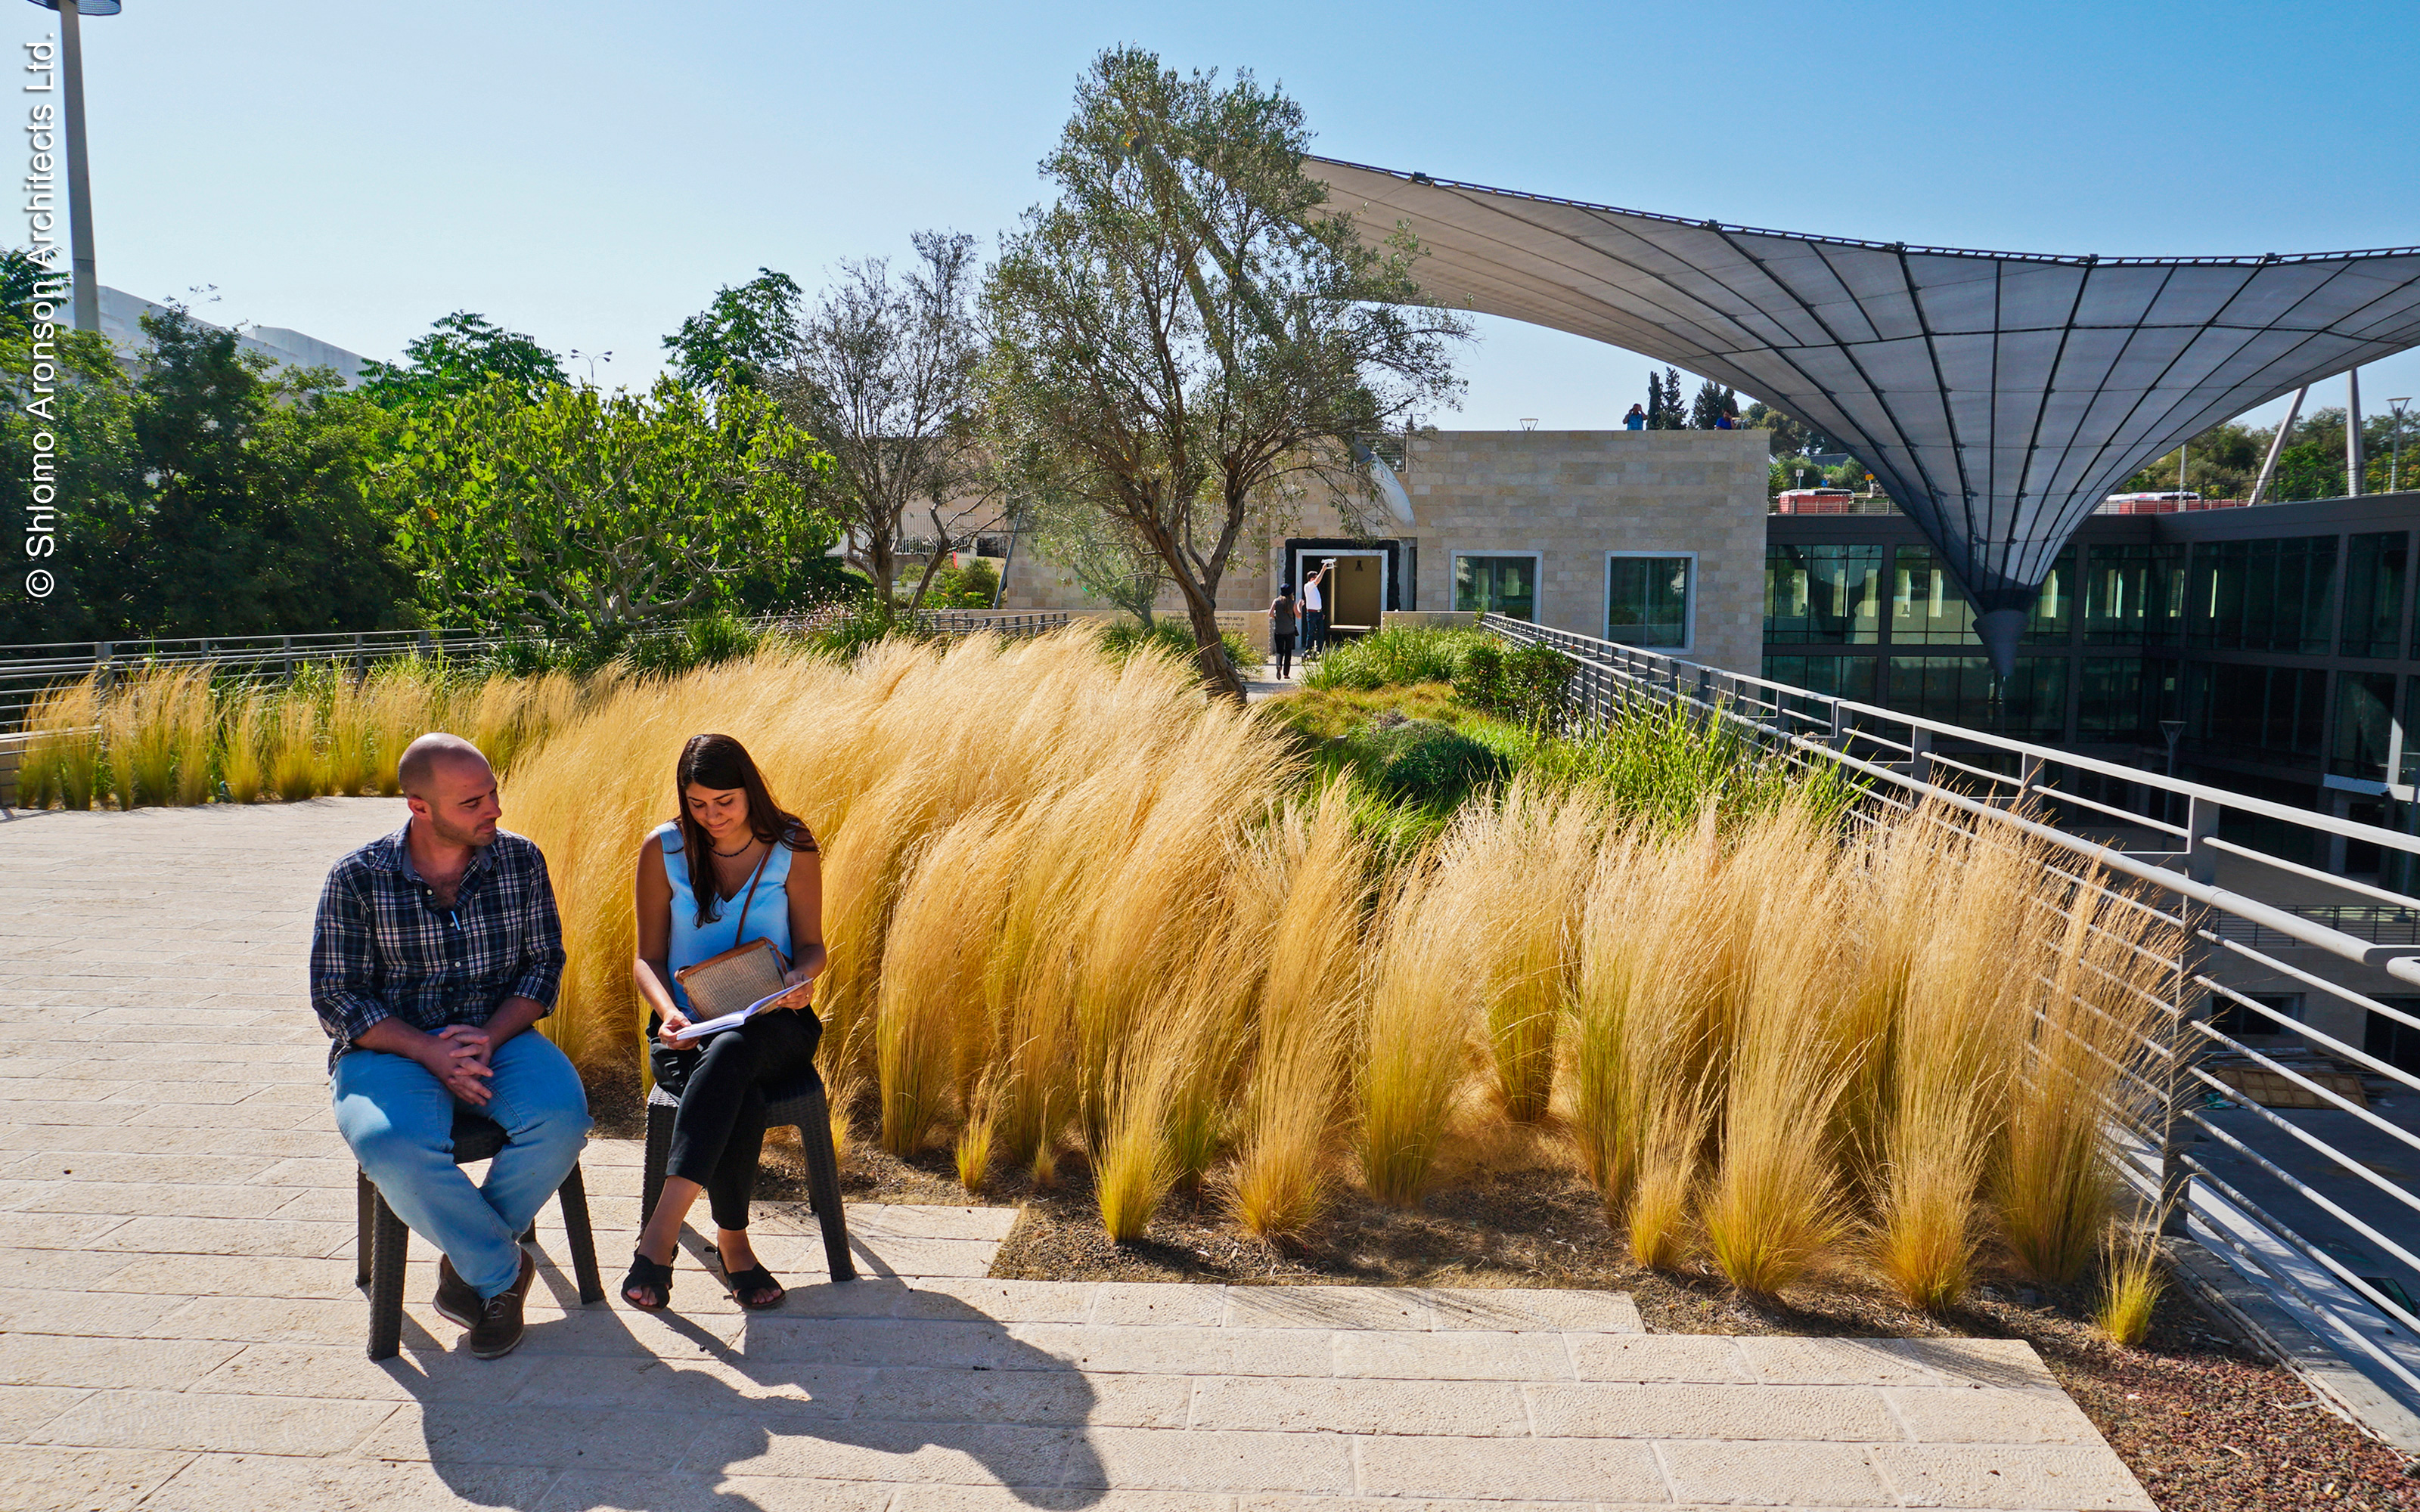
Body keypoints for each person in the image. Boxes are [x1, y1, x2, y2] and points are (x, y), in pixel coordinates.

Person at [312, 733, 591, 1361]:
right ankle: (498, 1273)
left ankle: (467, 1267)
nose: (494, 810)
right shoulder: (357, 880)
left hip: (499, 1034)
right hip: (389, 1049)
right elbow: (337, 997)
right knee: (391, 1144)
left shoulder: (520, 862)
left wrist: (486, 1038)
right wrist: (430, 1052)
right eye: (473, 802)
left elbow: (543, 967)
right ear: (420, 807)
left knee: (564, 1119)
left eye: (493, 793)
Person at [622, 733, 826, 1314]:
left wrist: (799, 981)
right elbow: (648, 959)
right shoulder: (661, 849)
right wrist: (669, 1013)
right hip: (686, 1027)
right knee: (734, 1073)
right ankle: (734, 1248)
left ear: (750, 791)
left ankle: (658, 1237)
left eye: (725, 802)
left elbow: (814, 946)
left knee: (736, 1049)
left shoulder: (792, 843)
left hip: (778, 1021)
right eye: (697, 804)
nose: (711, 816)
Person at [1301, 559, 1331, 657]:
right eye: (1315, 577)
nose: (1317, 579)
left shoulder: (1315, 588)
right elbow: (1318, 580)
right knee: (1311, 633)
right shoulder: (1308, 586)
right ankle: (1308, 651)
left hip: (1318, 613)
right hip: (1312, 613)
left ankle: (1320, 651)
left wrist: (1321, 612)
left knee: (1321, 633)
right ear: (1311, 578)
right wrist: (1323, 569)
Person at [1269, 583, 1299, 679]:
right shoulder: (1292, 602)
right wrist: (1300, 607)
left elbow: (1270, 613)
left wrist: (1276, 617)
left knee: (1279, 651)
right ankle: (1286, 673)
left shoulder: (1276, 601)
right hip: (1290, 630)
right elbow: (1299, 615)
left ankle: (1278, 665)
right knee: (1288, 651)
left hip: (1279, 630)